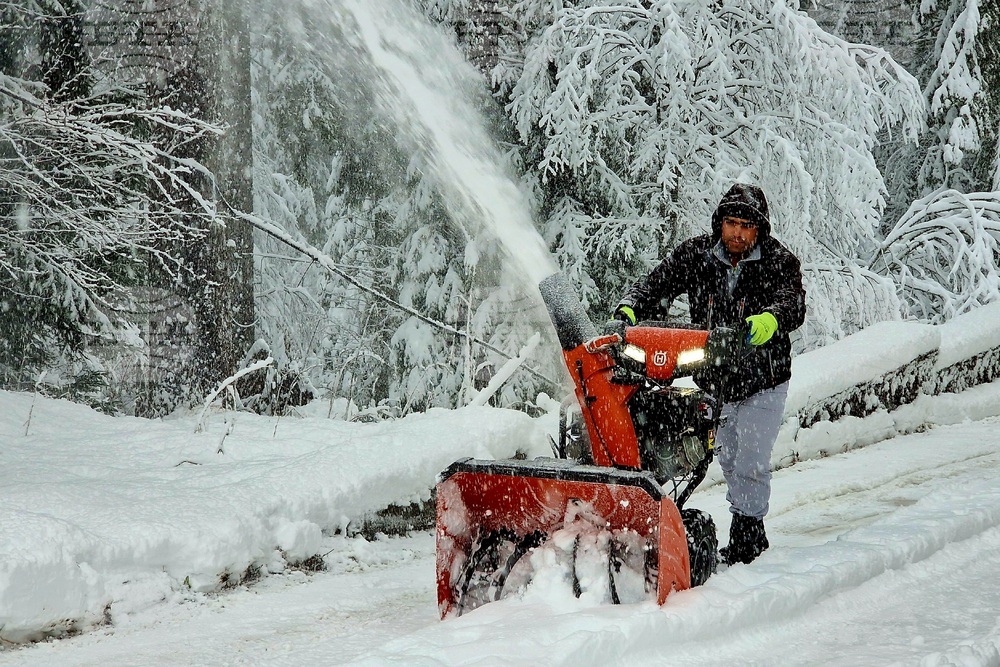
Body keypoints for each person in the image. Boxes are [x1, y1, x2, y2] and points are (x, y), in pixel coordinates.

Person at [613, 183, 806, 565]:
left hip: (762, 380)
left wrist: (767, 321)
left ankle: (748, 535)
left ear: (759, 229)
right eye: (731, 223)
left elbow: (792, 304)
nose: (737, 232)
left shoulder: (779, 263)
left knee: (750, 459)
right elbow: (657, 284)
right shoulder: (696, 255)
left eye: (746, 226)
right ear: (720, 224)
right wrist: (631, 309)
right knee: (729, 457)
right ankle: (746, 520)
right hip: (715, 378)